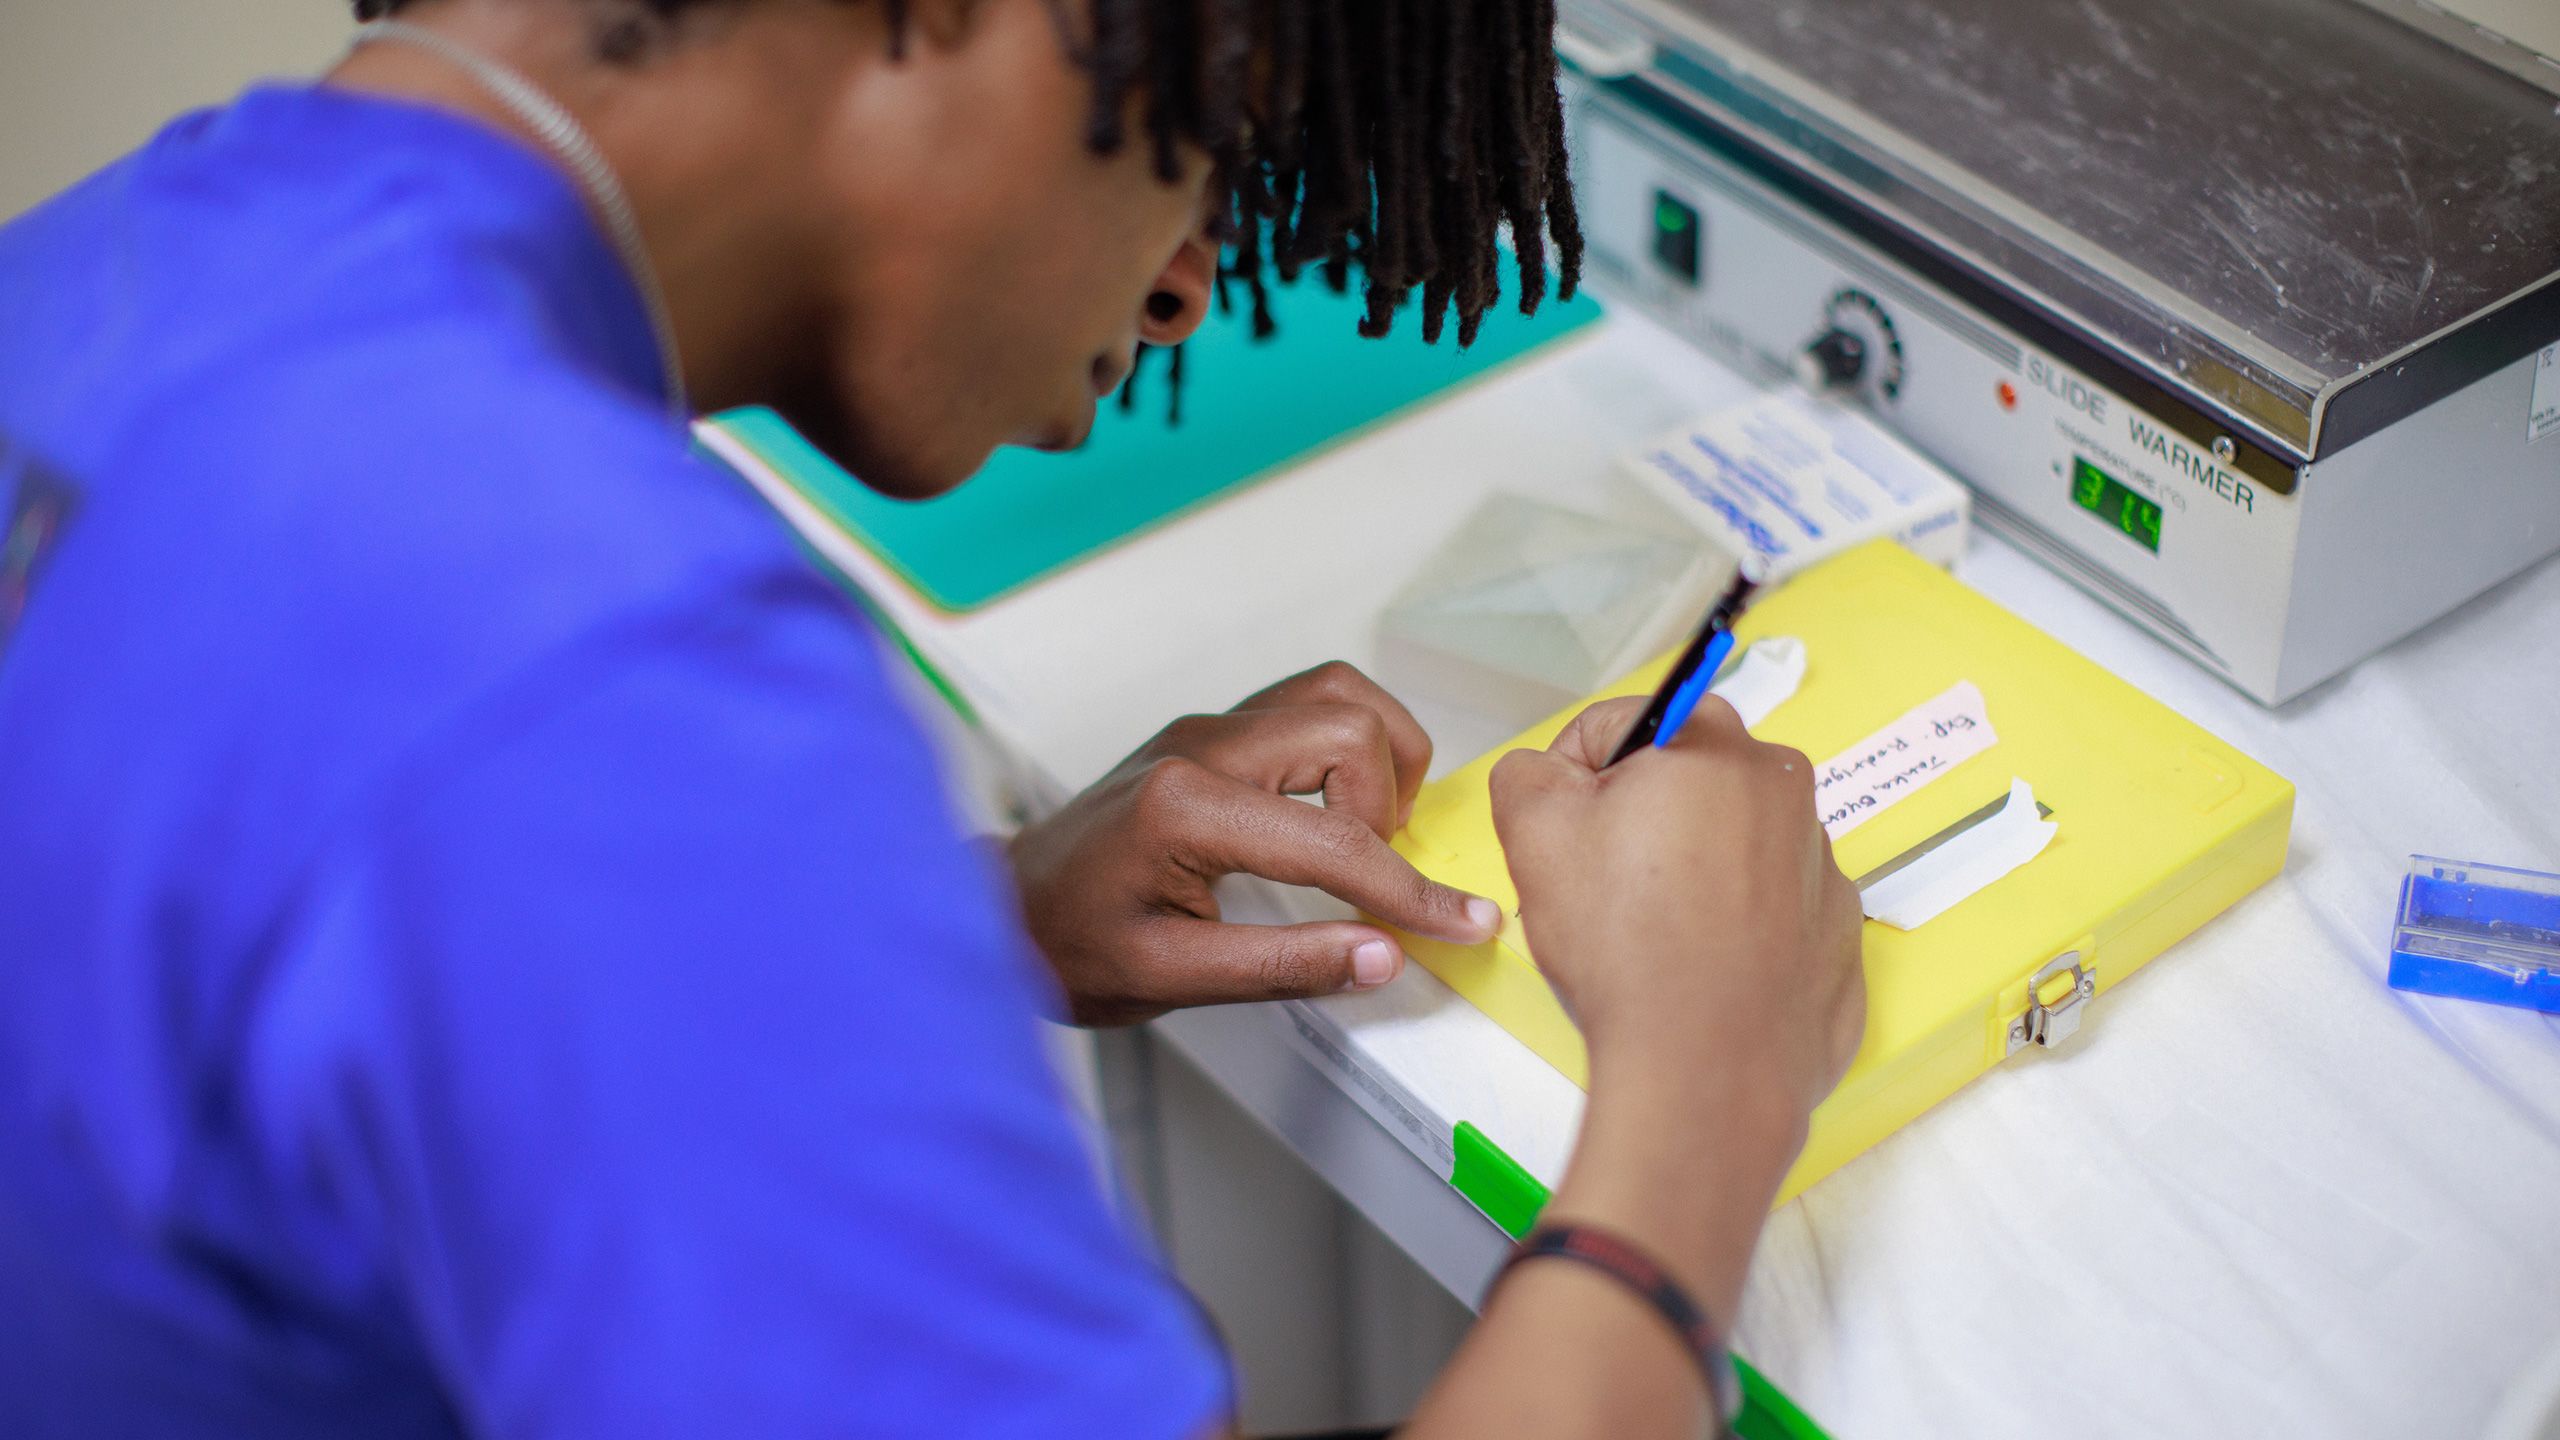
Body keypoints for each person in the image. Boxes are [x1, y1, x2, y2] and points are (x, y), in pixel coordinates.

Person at [0, 0, 1865, 1435]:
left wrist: (939, 921)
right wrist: (1709, 1079)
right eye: (1213, 134)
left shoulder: (116, 262)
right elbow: (496, 756)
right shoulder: (589, 664)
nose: (1193, 274)